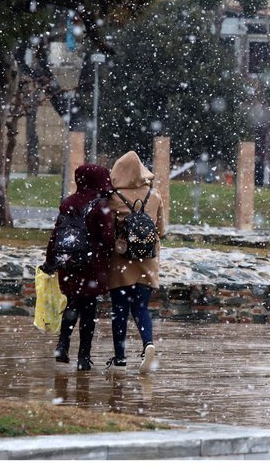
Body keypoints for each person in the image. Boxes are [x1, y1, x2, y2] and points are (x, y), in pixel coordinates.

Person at [43, 164, 115, 371]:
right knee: (89, 310)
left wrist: (51, 261)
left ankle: (62, 346)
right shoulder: (100, 204)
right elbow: (108, 238)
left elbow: (56, 234)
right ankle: (84, 357)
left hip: (68, 263)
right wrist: (107, 254)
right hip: (91, 265)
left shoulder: (68, 202)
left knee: (72, 304)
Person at [106, 151, 165, 374]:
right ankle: (147, 343)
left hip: (120, 260)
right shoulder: (154, 195)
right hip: (146, 260)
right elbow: (161, 230)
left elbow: (107, 230)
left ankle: (120, 358)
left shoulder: (113, 198)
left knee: (119, 310)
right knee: (141, 308)